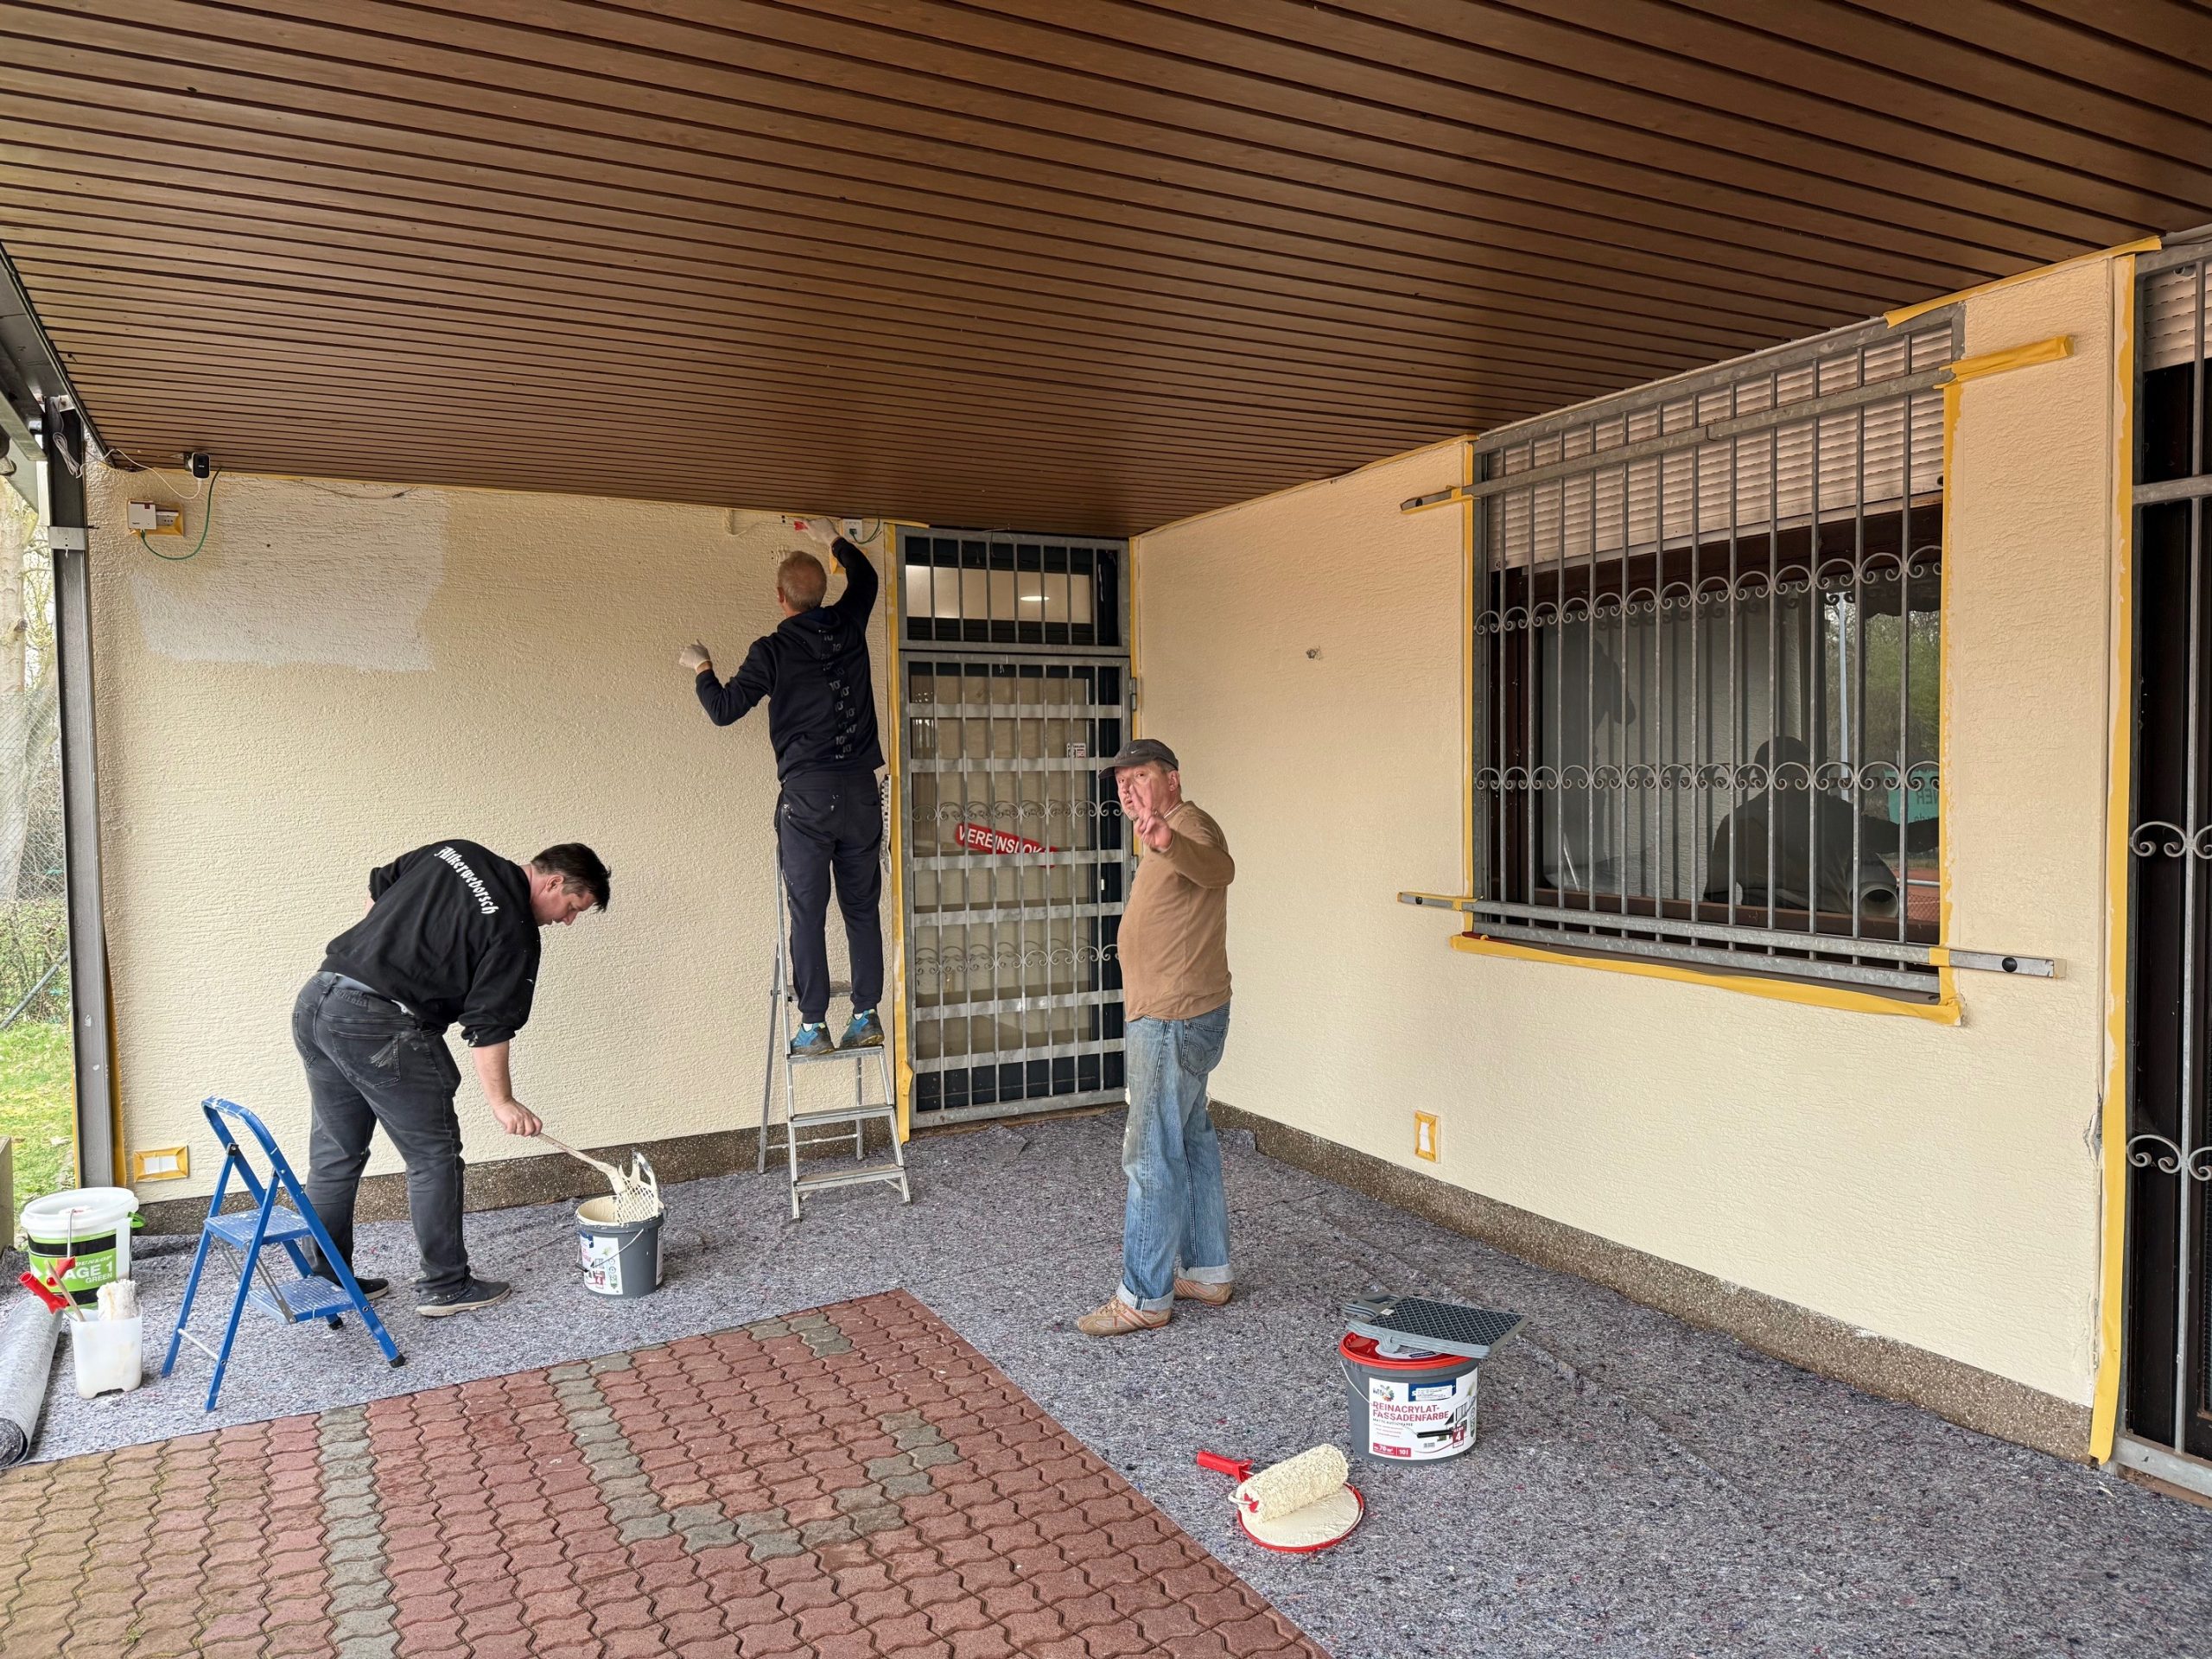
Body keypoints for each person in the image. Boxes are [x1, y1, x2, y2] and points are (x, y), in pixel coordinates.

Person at [297, 840, 611, 1317]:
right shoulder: (515, 930)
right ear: (552, 882)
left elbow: (380, 886)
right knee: (433, 1156)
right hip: (381, 1024)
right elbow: (489, 1026)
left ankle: (329, 1281)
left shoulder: (456, 853)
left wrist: (385, 954)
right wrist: (502, 1102)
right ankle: (446, 1285)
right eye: (572, 907)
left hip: (320, 999)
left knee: (336, 1154)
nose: (567, 921)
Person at [681, 518, 886, 1059]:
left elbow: (724, 709)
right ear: (822, 591)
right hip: (861, 790)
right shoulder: (849, 621)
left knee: (808, 912)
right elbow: (866, 578)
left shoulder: (772, 650)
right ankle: (866, 1016)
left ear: (781, 597)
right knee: (861, 907)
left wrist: (701, 666)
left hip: (809, 797)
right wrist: (831, 537)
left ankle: (813, 1024)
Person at [1077, 739, 1236, 1338]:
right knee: (1190, 1141)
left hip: (1172, 1019)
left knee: (1149, 1153)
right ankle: (1208, 1270)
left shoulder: (1189, 827)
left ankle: (1143, 1297)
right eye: (1121, 781)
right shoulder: (1166, 830)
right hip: (1185, 1011)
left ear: (1172, 779)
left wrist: (1168, 841)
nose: (1127, 788)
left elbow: (1219, 869)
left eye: (1139, 776)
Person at [1701, 735, 1904, 919]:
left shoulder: (1736, 821)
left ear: (1761, 776)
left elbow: (1716, 895)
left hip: (1762, 927)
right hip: (1829, 926)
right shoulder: (1833, 812)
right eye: (1807, 767)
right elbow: (1896, 838)